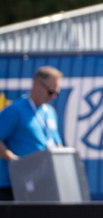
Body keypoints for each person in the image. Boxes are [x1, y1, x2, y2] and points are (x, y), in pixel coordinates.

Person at [0, 66, 64, 201]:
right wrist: (13, 159)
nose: (53, 96)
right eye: (51, 91)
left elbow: (57, 143)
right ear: (36, 84)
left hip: (42, 183)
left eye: (56, 93)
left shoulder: (50, 112)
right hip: (15, 186)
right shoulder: (15, 110)